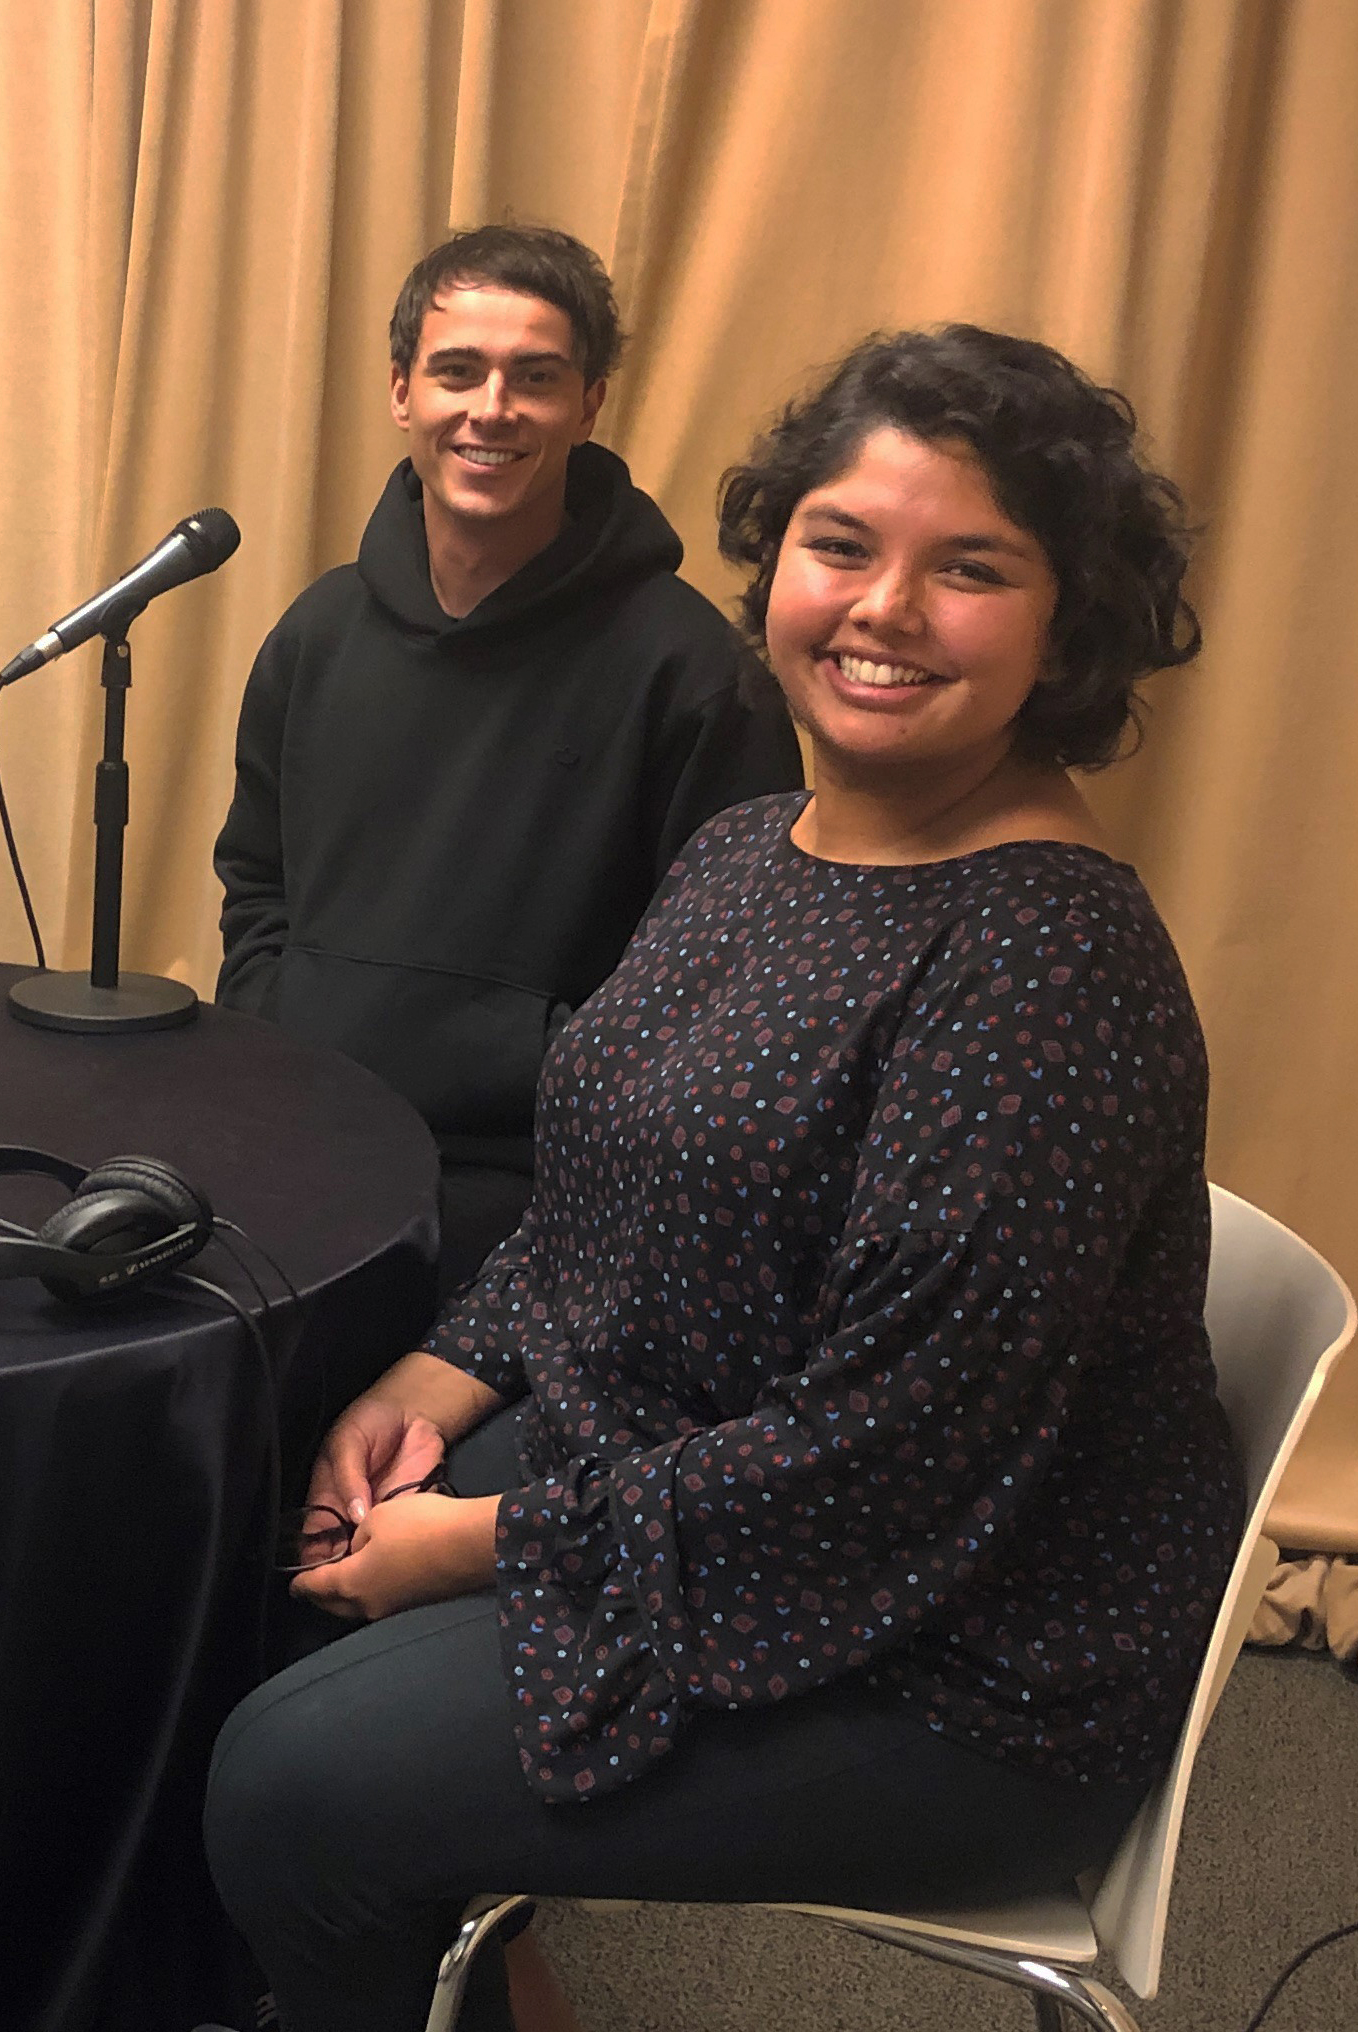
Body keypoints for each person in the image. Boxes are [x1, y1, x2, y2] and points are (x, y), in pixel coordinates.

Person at [202, 326, 1245, 2032]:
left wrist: (475, 1542)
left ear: (1068, 624)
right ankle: (458, 1958)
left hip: (953, 1649)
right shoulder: (749, 848)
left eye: (966, 568)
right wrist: (433, 1373)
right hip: (714, 1452)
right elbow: (606, 1187)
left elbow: (886, 1469)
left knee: (285, 1779)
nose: (882, 610)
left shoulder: (1046, 967)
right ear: (776, 560)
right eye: (841, 545)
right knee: (259, 1559)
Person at [212, 225, 803, 1295]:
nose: (493, 408)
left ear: (589, 403)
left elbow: (733, 990)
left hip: (550, 1211)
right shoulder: (317, 635)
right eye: (457, 371)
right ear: (402, 392)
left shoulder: (695, 673)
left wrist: (554, 1076)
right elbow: (257, 880)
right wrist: (279, 1020)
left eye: (536, 377)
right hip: (303, 1152)